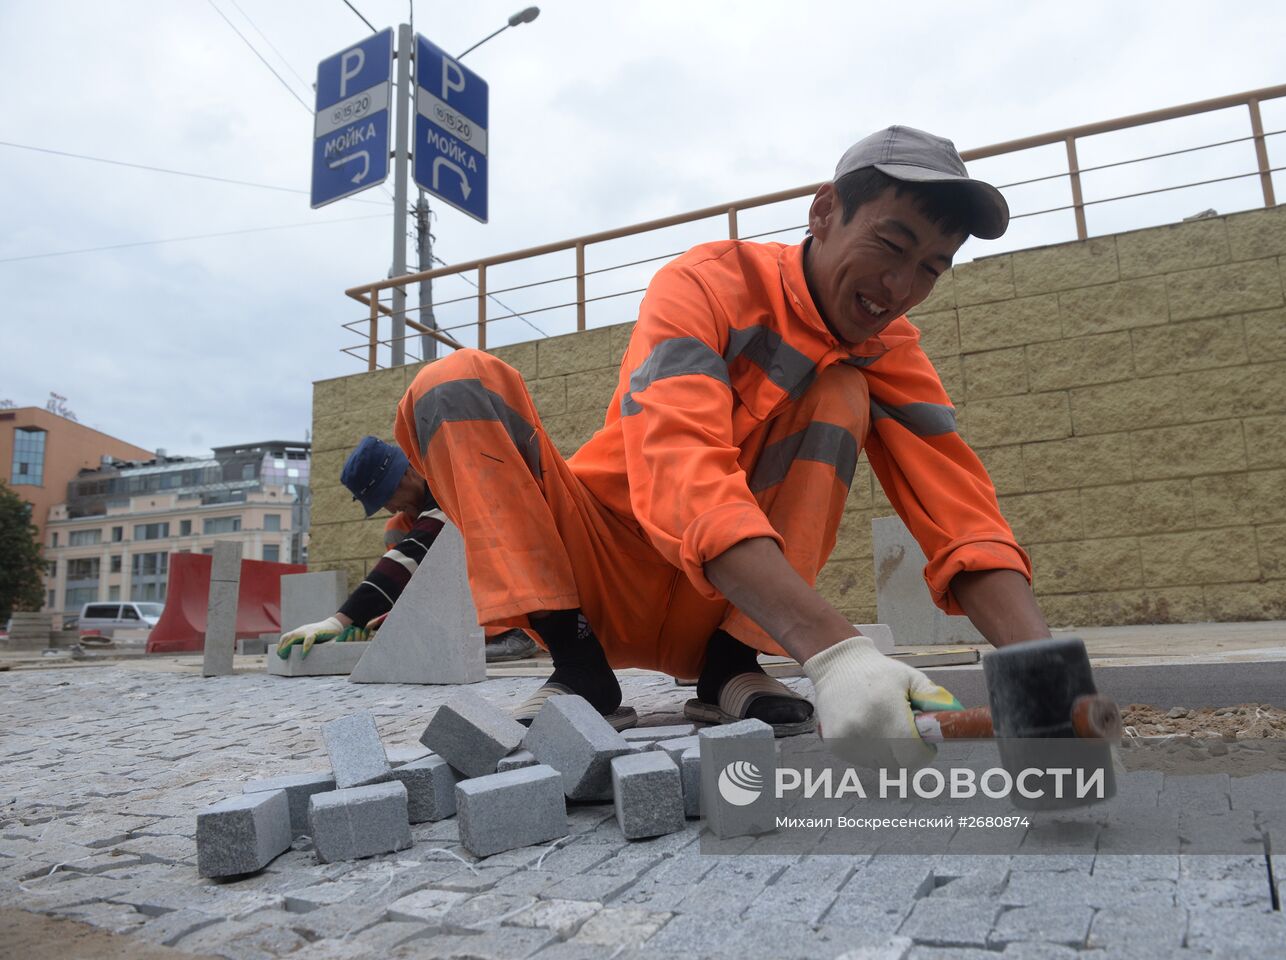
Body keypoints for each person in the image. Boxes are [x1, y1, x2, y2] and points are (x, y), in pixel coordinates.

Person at [395, 127, 1052, 764]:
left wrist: (1045, 675)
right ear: (824, 211)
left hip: (719, 604)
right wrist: (836, 652)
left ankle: (730, 667)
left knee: (839, 392)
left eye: (931, 268)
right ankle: (579, 668)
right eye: (890, 244)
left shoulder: (887, 350)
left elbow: (959, 511)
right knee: (453, 382)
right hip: (598, 566)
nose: (899, 287)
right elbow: (681, 464)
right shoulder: (705, 285)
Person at [276, 436, 540, 663]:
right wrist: (384, 618)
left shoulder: (449, 487)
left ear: (407, 474)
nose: (390, 509)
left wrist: (341, 619)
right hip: (466, 624)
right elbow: (409, 581)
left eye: (387, 498)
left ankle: (515, 631)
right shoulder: (399, 527)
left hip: (522, 585)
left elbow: (412, 553)